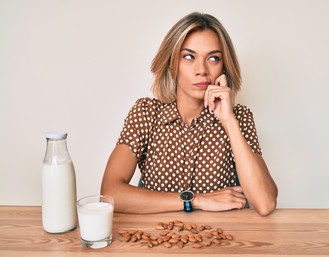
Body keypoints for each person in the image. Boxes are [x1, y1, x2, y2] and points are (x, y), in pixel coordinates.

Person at [101, 12, 278, 216]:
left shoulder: (239, 117)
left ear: (224, 67)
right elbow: (110, 193)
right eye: (189, 57)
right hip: (159, 239)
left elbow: (265, 203)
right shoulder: (146, 113)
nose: (201, 70)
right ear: (171, 63)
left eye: (213, 58)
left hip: (221, 240)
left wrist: (229, 121)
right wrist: (196, 200)